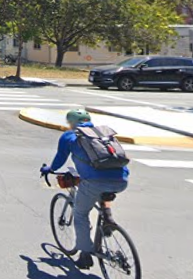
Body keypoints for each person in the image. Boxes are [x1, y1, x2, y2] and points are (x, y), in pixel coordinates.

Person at [40, 109, 130, 270]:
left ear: (71, 122)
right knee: (102, 192)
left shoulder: (70, 136)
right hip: (121, 180)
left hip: (94, 182)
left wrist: (49, 169)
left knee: (80, 214)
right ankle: (107, 216)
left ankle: (85, 255)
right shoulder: (104, 134)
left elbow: (60, 159)